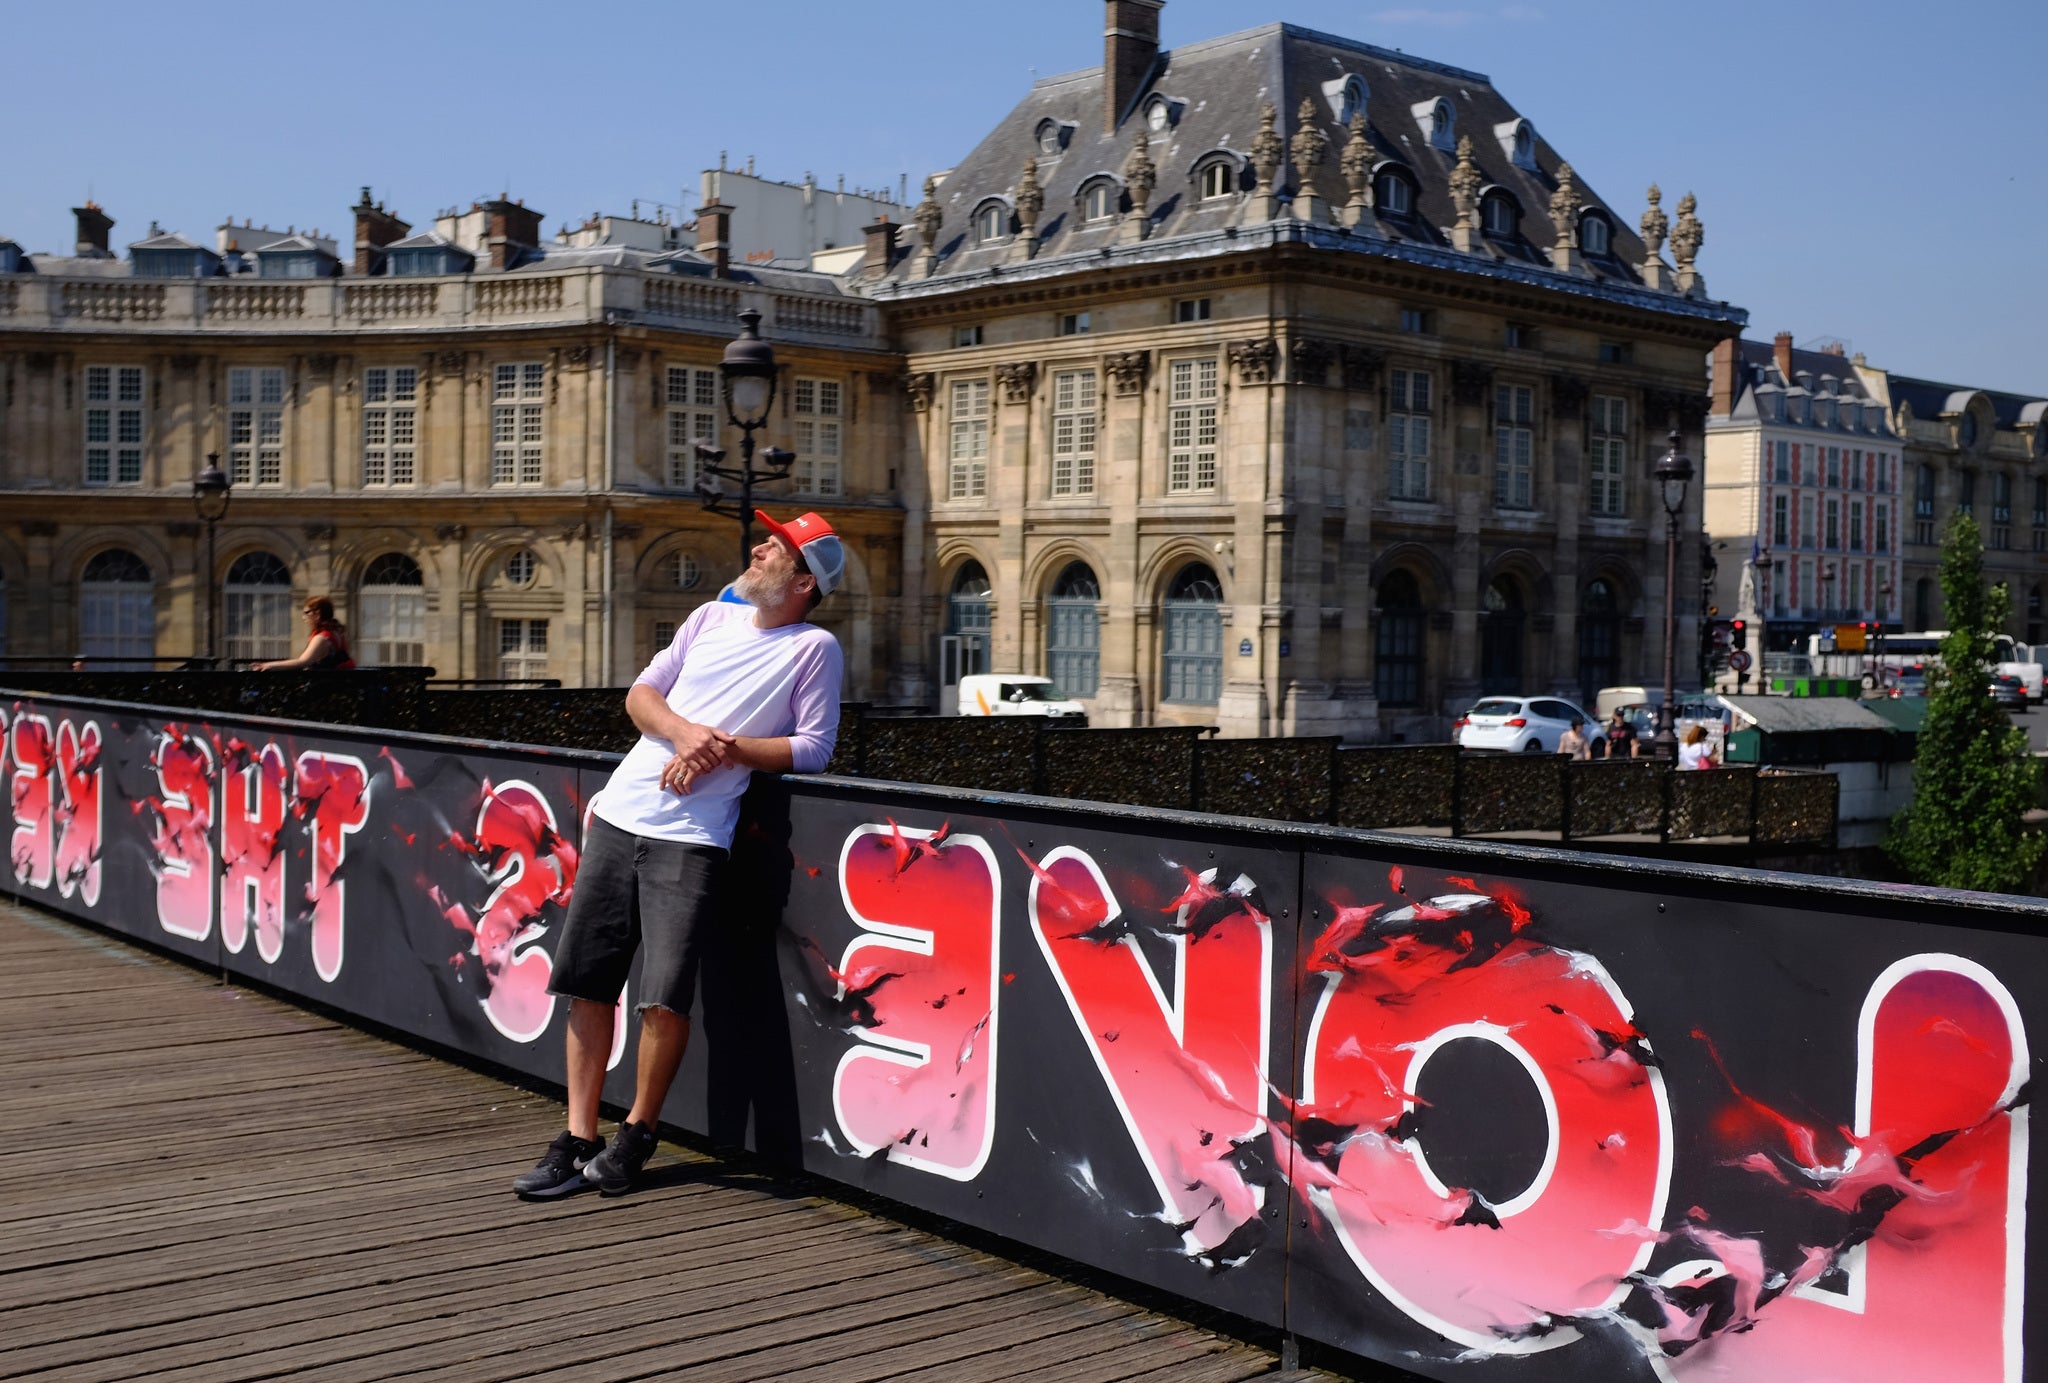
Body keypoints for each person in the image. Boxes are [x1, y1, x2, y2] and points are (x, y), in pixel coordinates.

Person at [514, 510, 845, 1200]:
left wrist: (719, 746)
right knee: (589, 983)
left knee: (663, 999)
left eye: (775, 548)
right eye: (764, 541)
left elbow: (814, 748)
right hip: (620, 812)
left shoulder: (814, 647)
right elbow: (640, 696)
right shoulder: (709, 618)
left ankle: (636, 1134)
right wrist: (687, 732)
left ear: (805, 580)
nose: (757, 549)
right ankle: (577, 1136)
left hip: (693, 835)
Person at [255, 597, 355, 671]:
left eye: (306, 613)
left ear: (317, 614)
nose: (303, 618)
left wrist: (270, 665)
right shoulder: (337, 633)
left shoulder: (322, 638)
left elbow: (304, 662)